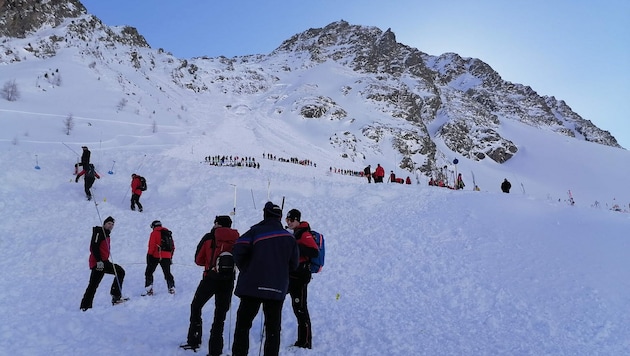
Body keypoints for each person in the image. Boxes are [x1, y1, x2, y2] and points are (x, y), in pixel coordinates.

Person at [231, 202, 299, 356]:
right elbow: (294, 264)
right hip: (277, 288)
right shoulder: (289, 238)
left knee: (243, 326)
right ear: (280, 217)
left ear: (265, 214)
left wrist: (247, 269)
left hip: (251, 286)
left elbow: (238, 249)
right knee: (273, 329)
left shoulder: (255, 231)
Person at [181, 215, 240, 355]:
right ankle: (215, 349)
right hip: (228, 280)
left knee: (196, 306)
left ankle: (194, 339)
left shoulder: (209, 237)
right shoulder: (237, 238)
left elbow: (198, 260)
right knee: (220, 316)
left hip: (210, 278)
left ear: (217, 224)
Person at [285, 209, 319, 349]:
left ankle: (305, 341)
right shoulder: (294, 233)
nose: (289, 222)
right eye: (287, 219)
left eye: (291, 220)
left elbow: (314, 252)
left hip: (300, 277)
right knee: (294, 306)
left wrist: (296, 245)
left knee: (300, 308)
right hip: (291, 275)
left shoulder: (304, 234)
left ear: (298, 220)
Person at [80, 216, 127, 310]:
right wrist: (99, 262)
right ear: (104, 223)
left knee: (94, 285)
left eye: (112, 224)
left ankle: (85, 306)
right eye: (109, 223)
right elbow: (94, 247)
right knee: (119, 272)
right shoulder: (99, 232)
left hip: (103, 262)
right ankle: (115, 297)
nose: (111, 226)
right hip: (99, 263)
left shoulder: (106, 234)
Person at [144, 220, 176, 296]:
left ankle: (149, 290)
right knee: (167, 273)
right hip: (167, 256)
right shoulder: (168, 233)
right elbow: (173, 247)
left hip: (156, 255)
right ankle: (171, 288)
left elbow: (152, 246)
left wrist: (149, 256)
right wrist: (170, 256)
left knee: (149, 272)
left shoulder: (154, 233)